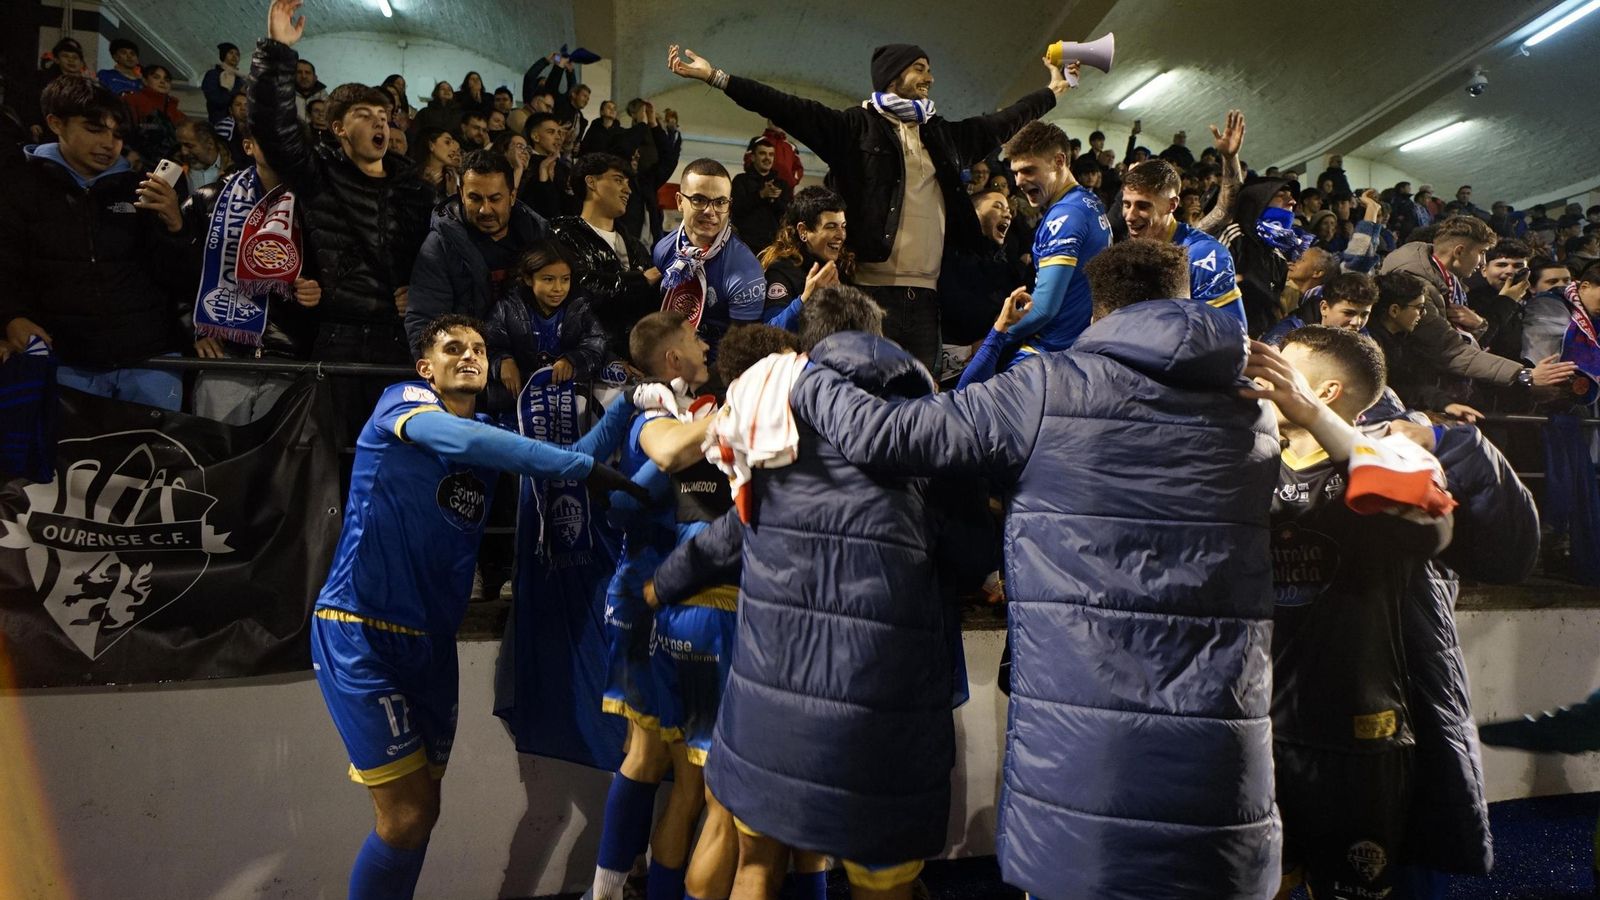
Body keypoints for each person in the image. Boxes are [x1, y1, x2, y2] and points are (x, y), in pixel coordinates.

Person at [789, 239, 1283, 899]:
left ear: (1098, 309)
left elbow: (886, 436)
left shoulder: (1048, 387)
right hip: (1224, 748)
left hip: (1086, 750)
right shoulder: (1258, 409)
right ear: (1186, 299)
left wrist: (807, 374)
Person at [647, 287, 985, 900]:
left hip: (770, 698)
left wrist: (663, 582)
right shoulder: (926, 428)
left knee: (754, 862)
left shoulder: (773, 428)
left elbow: (734, 529)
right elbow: (972, 553)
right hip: (880, 710)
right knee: (881, 880)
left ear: (812, 347)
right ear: (887, 343)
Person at [310, 312, 641, 900]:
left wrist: (629, 403)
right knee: (404, 816)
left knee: (423, 814)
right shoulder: (403, 403)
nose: (469, 356)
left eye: (480, 349)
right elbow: (476, 444)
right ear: (425, 368)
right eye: (453, 348)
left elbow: (577, 459)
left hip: (431, 644)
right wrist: (576, 464)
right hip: (361, 630)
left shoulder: (491, 431)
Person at [667, 40, 1072, 374]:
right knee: (871, 395)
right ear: (892, 75)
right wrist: (716, 77)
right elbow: (783, 105)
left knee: (922, 398)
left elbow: (1006, 120)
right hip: (872, 295)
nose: (929, 77)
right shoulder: (852, 129)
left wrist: (1053, 91)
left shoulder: (945, 136)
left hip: (929, 299)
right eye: (919, 68)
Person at [1255, 328, 1454, 900]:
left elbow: (1430, 522)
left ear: (1326, 389)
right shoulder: (1251, 459)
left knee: (1353, 888)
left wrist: (1313, 416)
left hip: (1358, 728)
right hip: (1257, 720)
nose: (1266, 379)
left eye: (1283, 371)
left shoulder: (1397, 453)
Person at [251, 0, 436, 442]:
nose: (380, 124)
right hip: (338, 336)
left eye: (385, 117)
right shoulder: (319, 176)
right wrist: (277, 51)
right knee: (334, 449)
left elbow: (433, 259)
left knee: (395, 449)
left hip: (399, 339)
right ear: (337, 128)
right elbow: (272, 128)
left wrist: (422, 296)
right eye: (364, 115)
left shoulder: (415, 190)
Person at [0, 76, 189, 410]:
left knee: (153, 461)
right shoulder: (18, 186)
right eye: (94, 129)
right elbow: (6, 264)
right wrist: (11, 317)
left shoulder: (139, 189)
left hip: (151, 361)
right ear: (55, 123)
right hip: (65, 363)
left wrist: (175, 226)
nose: (108, 144)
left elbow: (176, 276)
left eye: (117, 135)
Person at [186, 115, 321, 424]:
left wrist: (318, 293)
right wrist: (194, 331)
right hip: (226, 355)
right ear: (248, 146)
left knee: (275, 467)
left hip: (289, 356)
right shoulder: (210, 199)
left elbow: (335, 276)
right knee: (217, 462)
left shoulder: (317, 205)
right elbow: (180, 273)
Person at [1378, 215, 1575, 408]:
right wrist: (1526, 375)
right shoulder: (1419, 286)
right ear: (1459, 251)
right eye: (1481, 252)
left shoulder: (1448, 281)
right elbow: (1450, 352)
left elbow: (1461, 342)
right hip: (1420, 398)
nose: (1482, 262)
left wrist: (1481, 325)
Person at [989, 120, 1111, 360]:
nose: (1019, 181)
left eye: (1028, 170)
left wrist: (997, 335)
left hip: (1048, 351)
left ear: (1059, 161)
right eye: (1015, 172)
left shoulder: (1066, 216)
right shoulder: (1089, 202)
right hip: (1079, 345)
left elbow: (1044, 308)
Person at [406, 149, 549, 350]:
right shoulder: (441, 245)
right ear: (461, 195)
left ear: (512, 196)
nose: (485, 209)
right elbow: (425, 322)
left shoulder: (539, 238)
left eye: (495, 198)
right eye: (475, 198)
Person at [549, 152, 662, 360]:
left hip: (635, 358)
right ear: (591, 182)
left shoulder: (635, 246)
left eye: (628, 183)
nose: (627, 190)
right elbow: (580, 288)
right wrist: (642, 280)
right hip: (586, 358)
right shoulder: (562, 234)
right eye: (618, 180)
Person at [653, 158, 769, 355]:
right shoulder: (664, 249)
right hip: (668, 356)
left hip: (716, 371)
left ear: (729, 206)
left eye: (720, 202)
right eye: (699, 199)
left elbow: (741, 351)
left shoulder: (745, 270)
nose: (710, 211)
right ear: (680, 202)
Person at [1121, 141, 1245, 324]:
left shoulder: (1203, 253)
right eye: (1126, 204)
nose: (1130, 216)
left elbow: (1232, 332)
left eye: (1143, 206)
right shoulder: (1130, 249)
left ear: (1172, 204)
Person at [485, 240, 610, 398]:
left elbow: (596, 343)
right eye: (548, 279)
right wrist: (502, 362)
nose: (558, 288)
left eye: (565, 279)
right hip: (516, 400)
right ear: (529, 279)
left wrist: (572, 361)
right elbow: (488, 345)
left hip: (566, 398)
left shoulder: (579, 308)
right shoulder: (507, 308)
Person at [758, 185, 851, 320]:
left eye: (843, 226)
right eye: (831, 227)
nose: (841, 235)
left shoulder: (842, 265)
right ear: (803, 231)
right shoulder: (781, 271)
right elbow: (771, 331)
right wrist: (806, 299)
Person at [1262, 271, 1377, 344]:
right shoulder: (1287, 335)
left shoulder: (1360, 334)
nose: (1357, 322)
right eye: (1348, 313)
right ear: (1324, 308)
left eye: (1364, 315)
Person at [730, 137, 792, 254]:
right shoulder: (741, 181)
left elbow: (787, 215)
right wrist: (760, 195)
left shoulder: (782, 184)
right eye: (763, 153)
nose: (767, 158)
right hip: (744, 246)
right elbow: (736, 209)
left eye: (771, 154)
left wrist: (774, 200)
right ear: (753, 157)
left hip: (773, 247)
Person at [122, 64, 186, 163]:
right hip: (136, 161)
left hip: (168, 165)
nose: (162, 82)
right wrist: (128, 153)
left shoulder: (178, 113)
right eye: (156, 77)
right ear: (144, 80)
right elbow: (123, 130)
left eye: (167, 79)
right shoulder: (132, 100)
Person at [518, 111, 571, 219]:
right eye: (551, 132)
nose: (558, 137)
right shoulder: (525, 165)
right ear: (535, 136)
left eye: (559, 133)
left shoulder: (562, 167)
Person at [176, 119, 231, 188]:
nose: (184, 152)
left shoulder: (235, 169)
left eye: (189, 146)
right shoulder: (174, 168)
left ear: (210, 144)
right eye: (180, 145)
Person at [201, 43, 248, 123]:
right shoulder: (213, 74)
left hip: (237, 124)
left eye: (237, 54)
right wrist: (238, 91)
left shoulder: (240, 79)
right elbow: (215, 100)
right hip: (219, 121)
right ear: (223, 55)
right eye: (230, 53)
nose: (234, 56)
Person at [292, 58, 327, 123]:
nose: (304, 76)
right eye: (299, 72)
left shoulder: (325, 98)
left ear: (315, 77)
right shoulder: (285, 96)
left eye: (307, 73)